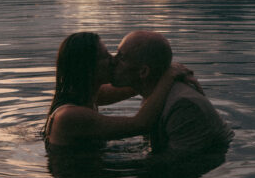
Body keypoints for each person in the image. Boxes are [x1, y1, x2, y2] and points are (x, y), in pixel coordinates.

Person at [43, 31, 183, 148]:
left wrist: (153, 71)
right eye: (105, 56)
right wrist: (169, 77)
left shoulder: (89, 95)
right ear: (88, 69)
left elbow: (136, 84)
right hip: (80, 176)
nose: (113, 60)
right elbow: (140, 124)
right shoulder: (70, 116)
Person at [112, 30, 233, 155]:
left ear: (143, 72)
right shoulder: (152, 90)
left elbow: (176, 165)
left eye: (121, 57)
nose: (112, 61)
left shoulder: (183, 107)